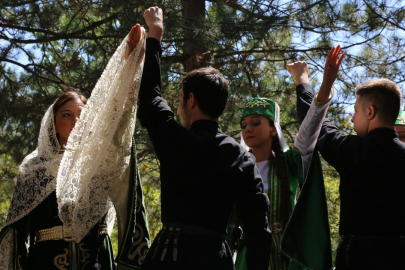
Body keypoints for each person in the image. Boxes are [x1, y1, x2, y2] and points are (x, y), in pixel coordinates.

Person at [0, 24, 150, 270]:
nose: (76, 121)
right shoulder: (33, 167)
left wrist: (129, 65)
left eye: (82, 115)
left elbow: (120, 119)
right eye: (67, 115)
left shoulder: (101, 160)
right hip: (46, 262)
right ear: (53, 124)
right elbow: (16, 233)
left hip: (96, 260)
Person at [137, 6, 271, 270]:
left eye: (179, 100)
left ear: (191, 99)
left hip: (169, 257)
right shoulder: (241, 156)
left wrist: (155, 33)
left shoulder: (174, 140)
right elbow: (259, 230)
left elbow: (150, 93)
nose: (177, 108)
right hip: (214, 259)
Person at [298, 45, 405, 269]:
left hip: (358, 257)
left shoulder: (352, 150)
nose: (352, 119)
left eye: (355, 110)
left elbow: (317, 125)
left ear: (370, 112)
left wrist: (306, 82)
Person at [233, 62, 332, 270]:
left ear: (272, 129)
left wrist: (314, 82)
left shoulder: (290, 162)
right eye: (244, 125)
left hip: (289, 257)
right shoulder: (237, 170)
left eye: (256, 122)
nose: (247, 129)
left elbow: (311, 125)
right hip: (249, 258)